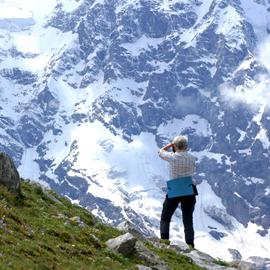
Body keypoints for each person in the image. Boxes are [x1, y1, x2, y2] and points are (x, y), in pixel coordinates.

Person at [158, 135, 197, 248]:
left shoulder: (172, 157)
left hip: (174, 190)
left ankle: (164, 241)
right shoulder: (193, 158)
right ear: (186, 146)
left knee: (165, 217)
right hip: (189, 190)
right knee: (188, 219)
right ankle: (190, 245)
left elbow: (160, 152)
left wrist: (170, 145)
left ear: (175, 146)